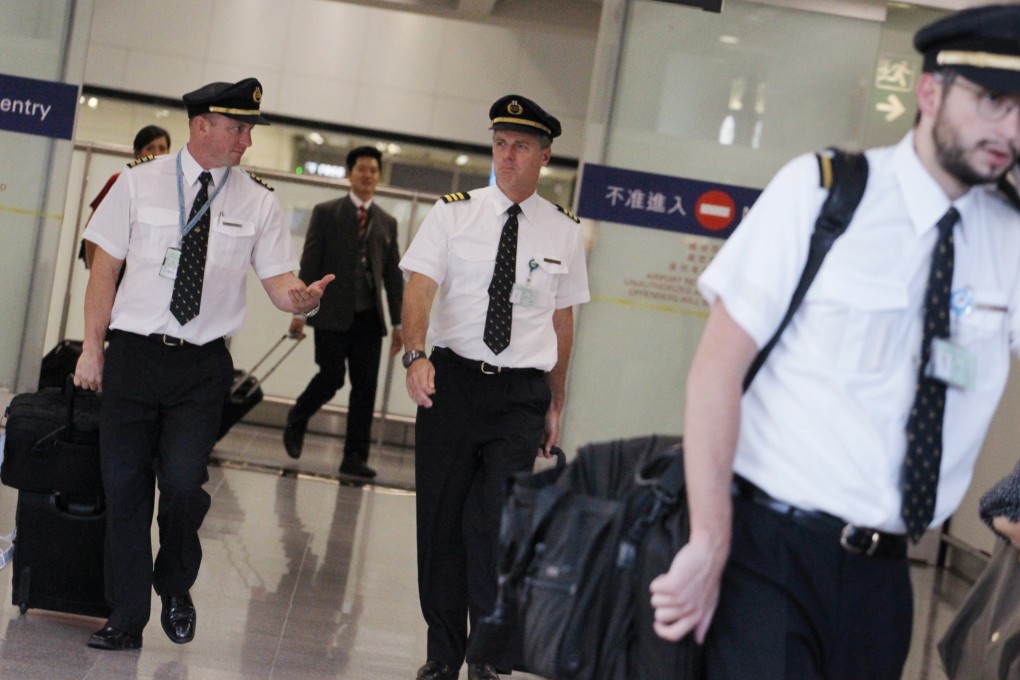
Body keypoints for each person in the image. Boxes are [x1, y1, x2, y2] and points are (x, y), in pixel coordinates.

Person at [649, 5, 1020, 679]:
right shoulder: (824, 193)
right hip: (769, 554)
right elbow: (716, 373)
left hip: (886, 578)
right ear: (929, 91)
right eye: (993, 101)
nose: (1011, 129)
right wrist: (709, 539)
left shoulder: (1010, 237)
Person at [74, 77, 334, 652]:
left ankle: (175, 585)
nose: (246, 140)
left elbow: (276, 283)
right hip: (135, 357)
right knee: (125, 489)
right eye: (238, 127)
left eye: (248, 130)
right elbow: (102, 273)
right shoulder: (136, 184)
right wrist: (93, 348)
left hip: (201, 368)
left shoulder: (258, 200)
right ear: (202, 127)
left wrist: (302, 298)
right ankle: (125, 615)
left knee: (185, 487)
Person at [400, 95, 590, 680]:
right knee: (440, 523)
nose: (508, 157)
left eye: (522, 147)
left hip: (519, 397)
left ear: (545, 155)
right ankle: (442, 652)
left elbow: (563, 321)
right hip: (453, 386)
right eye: (501, 144)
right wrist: (415, 354)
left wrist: (556, 402)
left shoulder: (563, 232)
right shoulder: (452, 214)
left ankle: (486, 652)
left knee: (494, 525)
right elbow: (420, 288)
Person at [283, 145, 404, 478]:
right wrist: (299, 311)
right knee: (331, 377)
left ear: (379, 177)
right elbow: (310, 263)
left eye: (373, 171)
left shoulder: (388, 222)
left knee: (365, 388)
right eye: (361, 169)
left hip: (369, 317)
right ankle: (298, 416)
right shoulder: (327, 213)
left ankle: (354, 456)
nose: (367, 176)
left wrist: (400, 323)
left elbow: (393, 276)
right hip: (331, 314)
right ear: (350, 174)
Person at [80, 124, 172, 269]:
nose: (157, 154)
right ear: (138, 153)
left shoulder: (172, 189)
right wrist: (96, 274)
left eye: (162, 148)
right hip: (118, 270)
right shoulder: (120, 181)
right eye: (150, 148)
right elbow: (92, 231)